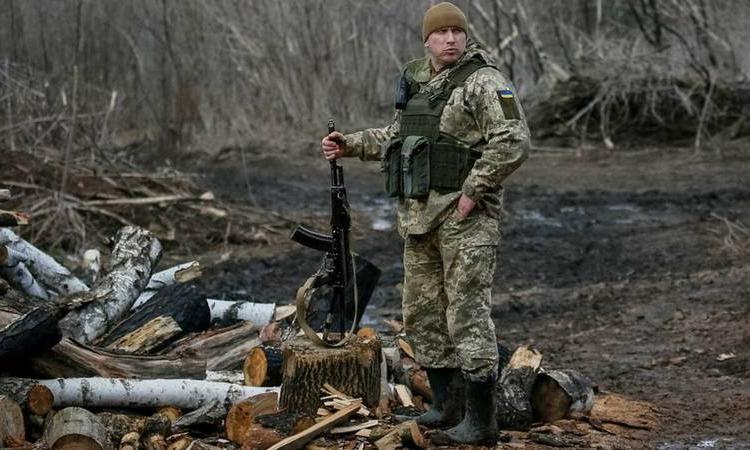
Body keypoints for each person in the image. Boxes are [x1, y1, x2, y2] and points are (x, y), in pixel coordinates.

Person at [321, 2, 529, 444]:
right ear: (427, 40)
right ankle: (446, 406)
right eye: (441, 33)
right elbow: (396, 138)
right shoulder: (418, 83)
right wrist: (349, 144)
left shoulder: (484, 81)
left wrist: (473, 192)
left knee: (467, 314)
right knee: (422, 313)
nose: (450, 39)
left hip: (466, 219)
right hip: (419, 219)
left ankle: (481, 422)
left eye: (457, 31)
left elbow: (513, 140)